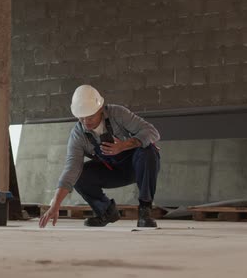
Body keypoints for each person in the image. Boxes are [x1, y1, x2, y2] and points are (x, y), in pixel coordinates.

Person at [39, 85, 161, 228]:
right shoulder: (78, 135)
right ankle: (106, 211)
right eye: (81, 118)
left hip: (138, 166)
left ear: (100, 110)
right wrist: (55, 204)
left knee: (149, 150)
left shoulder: (118, 113)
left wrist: (123, 145)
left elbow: (152, 132)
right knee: (79, 175)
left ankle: (145, 210)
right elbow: (71, 169)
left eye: (90, 117)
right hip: (112, 171)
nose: (86, 123)